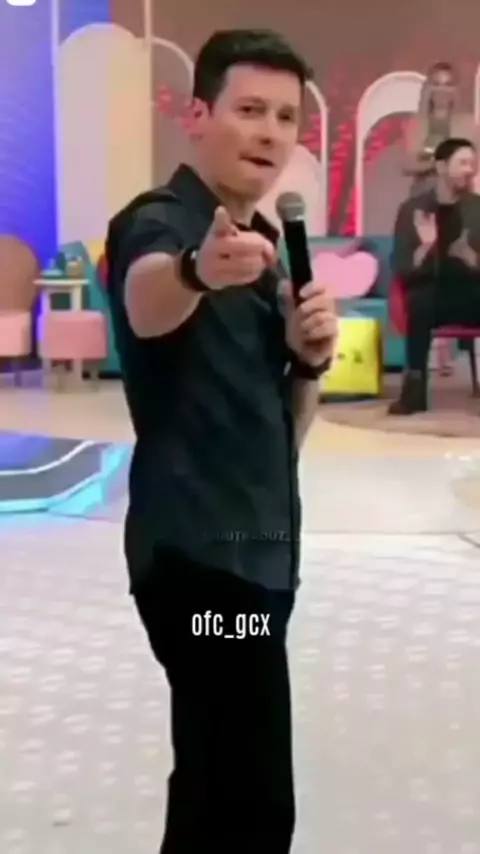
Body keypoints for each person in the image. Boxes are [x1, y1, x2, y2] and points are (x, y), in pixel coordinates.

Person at [105, 28, 337, 854]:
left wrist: (307, 363)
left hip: (259, 554)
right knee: (252, 798)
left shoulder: (269, 251)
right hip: (200, 568)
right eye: (249, 109)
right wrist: (197, 271)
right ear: (198, 115)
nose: (270, 132)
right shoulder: (160, 223)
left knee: (219, 784)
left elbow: (285, 432)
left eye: (285, 116)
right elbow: (146, 301)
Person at [390, 137, 480, 415]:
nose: (470, 170)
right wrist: (426, 246)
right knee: (420, 302)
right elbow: (402, 267)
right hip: (430, 294)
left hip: (472, 293)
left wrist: (470, 258)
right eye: (463, 163)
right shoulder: (412, 210)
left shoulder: (477, 208)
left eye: (472, 163)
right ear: (441, 167)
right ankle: (414, 394)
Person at [402, 61, 478, 197]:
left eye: (448, 85)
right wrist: (436, 165)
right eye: (436, 84)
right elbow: (408, 164)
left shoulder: (468, 123)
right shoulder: (417, 124)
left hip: (459, 194)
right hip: (425, 194)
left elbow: (475, 163)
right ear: (429, 88)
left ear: (455, 90)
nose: (442, 90)